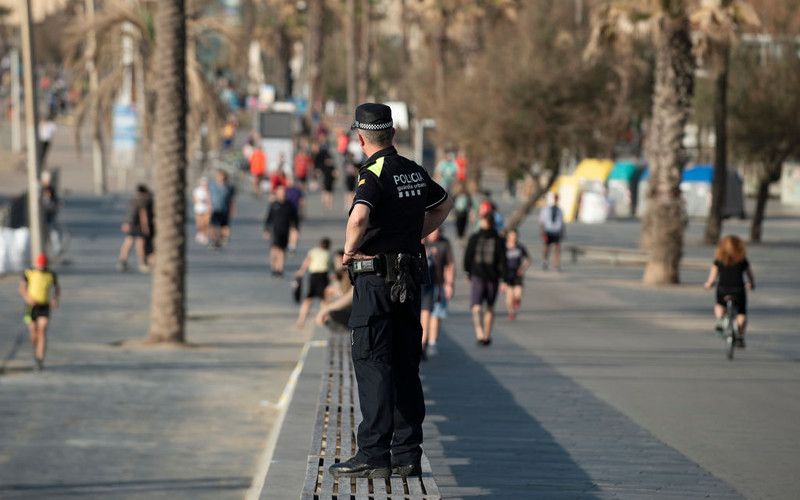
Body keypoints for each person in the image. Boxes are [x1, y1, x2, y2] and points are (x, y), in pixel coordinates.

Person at [330, 103, 452, 479]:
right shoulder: (413, 170)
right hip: (409, 282)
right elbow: (444, 203)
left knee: (373, 364)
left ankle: (372, 454)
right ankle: (406, 453)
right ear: (393, 134)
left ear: (361, 137)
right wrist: (413, 235)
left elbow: (360, 216)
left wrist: (349, 251)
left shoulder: (374, 172)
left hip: (376, 283)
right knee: (404, 366)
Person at [704, 235, 755, 347]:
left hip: (723, 289)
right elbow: (749, 275)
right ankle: (741, 337)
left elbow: (712, 278)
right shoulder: (742, 260)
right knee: (741, 312)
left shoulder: (719, 260)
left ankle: (719, 320)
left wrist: (709, 284)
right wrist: (751, 284)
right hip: (738, 289)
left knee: (719, 304)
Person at [464, 213, 506, 346]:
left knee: (483, 307)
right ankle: (483, 334)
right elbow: (468, 256)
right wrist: (468, 272)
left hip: (485, 277)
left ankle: (483, 333)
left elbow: (468, 256)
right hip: (485, 276)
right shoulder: (482, 238)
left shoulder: (484, 238)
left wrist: (468, 272)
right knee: (483, 307)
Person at [19, 253, 60, 372]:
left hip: (44, 306)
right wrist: (27, 297)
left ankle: (40, 359)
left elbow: (57, 287)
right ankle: (35, 351)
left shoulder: (51, 274)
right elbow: (22, 288)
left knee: (42, 329)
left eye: (43, 266)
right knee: (33, 332)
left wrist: (55, 299)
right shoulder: (29, 273)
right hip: (31, 306)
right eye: (40, 265)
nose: (41, 268)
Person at [420, 226, 454, 357]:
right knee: (422, 314)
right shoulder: (422, 242)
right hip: (419, 285)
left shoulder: (444, 244)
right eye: (433, 229)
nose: (436, 233)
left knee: (430, 313)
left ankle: (426, 343)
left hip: (433, 285)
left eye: (438, 230)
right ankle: (423, 342)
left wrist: (447, 284)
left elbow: (449, 265)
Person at [295, 237, 334, 328]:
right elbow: (307, 261)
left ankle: (323, 318)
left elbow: (307, 261)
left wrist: (302, 271)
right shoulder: (324, 253)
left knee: (319, 299)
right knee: (320, 299)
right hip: (319, 276)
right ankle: (323, 318)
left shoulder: (320, 252)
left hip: (318, 276)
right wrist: (302, 270)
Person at [263, 184, 298, 277]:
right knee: (274, 250)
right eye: (280, 192)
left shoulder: (289, 205)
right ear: (277, 193)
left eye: (283, 192)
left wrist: (295, 229)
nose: (282, 194)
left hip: (285, 230)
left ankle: (280, 269)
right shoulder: (274, 204)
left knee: (282, 250)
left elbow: (294, 218)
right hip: (275, 230)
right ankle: (274, 268)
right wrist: (266, 229)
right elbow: (268, 217)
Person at [117, 184, 152, 272]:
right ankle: (142, 264)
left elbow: (127, 214)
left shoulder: (132, 200)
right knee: (140, 244)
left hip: (130, 225)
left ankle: (122, 262)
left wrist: (125, 223)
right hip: (138, 226)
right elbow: (143, 215)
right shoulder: (143, 201)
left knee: (128, 242)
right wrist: (146, 227)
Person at [503, 229, 530, 321]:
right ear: (508, 237)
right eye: (511, 236)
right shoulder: (504, 248)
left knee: (518, 294)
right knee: (509, 296)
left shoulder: (520, 248)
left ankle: (517, 300)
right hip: (507, 274)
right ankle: (511, 312)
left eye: (515, 236)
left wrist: (522, 268)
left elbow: (528, 259)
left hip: (517, 274)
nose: (513, 238)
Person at [208, 170, 236, 251]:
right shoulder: (213, 186)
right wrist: (209, 205)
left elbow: (231, 199)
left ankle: (220, 240)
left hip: (224, 209)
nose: (221, 178)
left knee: (223, 226)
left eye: (222, 177)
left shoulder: (229, 187)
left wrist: (232, 208)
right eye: (219, 176)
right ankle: (213, 240)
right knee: (213, 225)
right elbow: (209, 195)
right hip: (215, 209)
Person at [539, 192, 564, 271]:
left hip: (556, 230)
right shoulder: (545, 209)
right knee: (547, 247)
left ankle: (556, 264)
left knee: (557, 247)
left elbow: (562, 222)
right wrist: (542, 232)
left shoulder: (560, 210)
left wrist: (562, 232)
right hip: (548, 230)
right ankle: (545, 261)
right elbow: (542, 222)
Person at [313, 140, 336, 211]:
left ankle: (329, 204)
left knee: (329, 192)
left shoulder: (330, 165)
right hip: (325, 178)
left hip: (330, 178)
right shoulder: (323, 163)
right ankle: (326, 204)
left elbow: (334, 171)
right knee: (325, 191)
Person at [192, 177, 211, 245]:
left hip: (207, 209)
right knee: (200, 223)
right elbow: (195, 199)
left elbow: (210, 199)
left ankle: (205, 235)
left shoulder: (209, 190)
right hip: (199, 209)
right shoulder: (197, 190)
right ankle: (200, 233)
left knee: (206, 223)